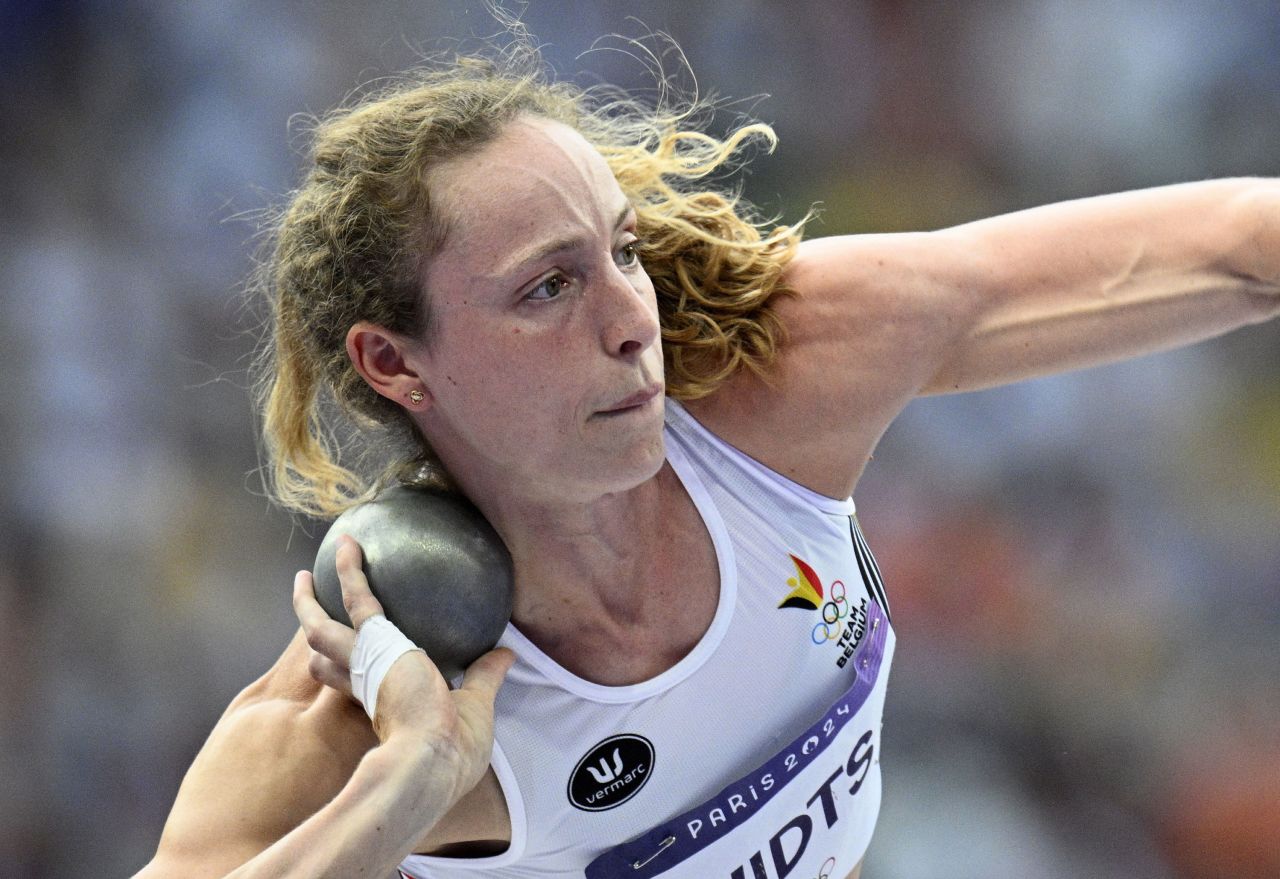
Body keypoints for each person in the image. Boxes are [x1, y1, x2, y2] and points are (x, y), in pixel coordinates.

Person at [133, 37, 1280, 879]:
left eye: (618, 251)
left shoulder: (774, 387)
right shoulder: (350, 717)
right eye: (546, 288)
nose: (630, 320)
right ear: (394, 363)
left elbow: (1237, 247)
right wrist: (402, 791)